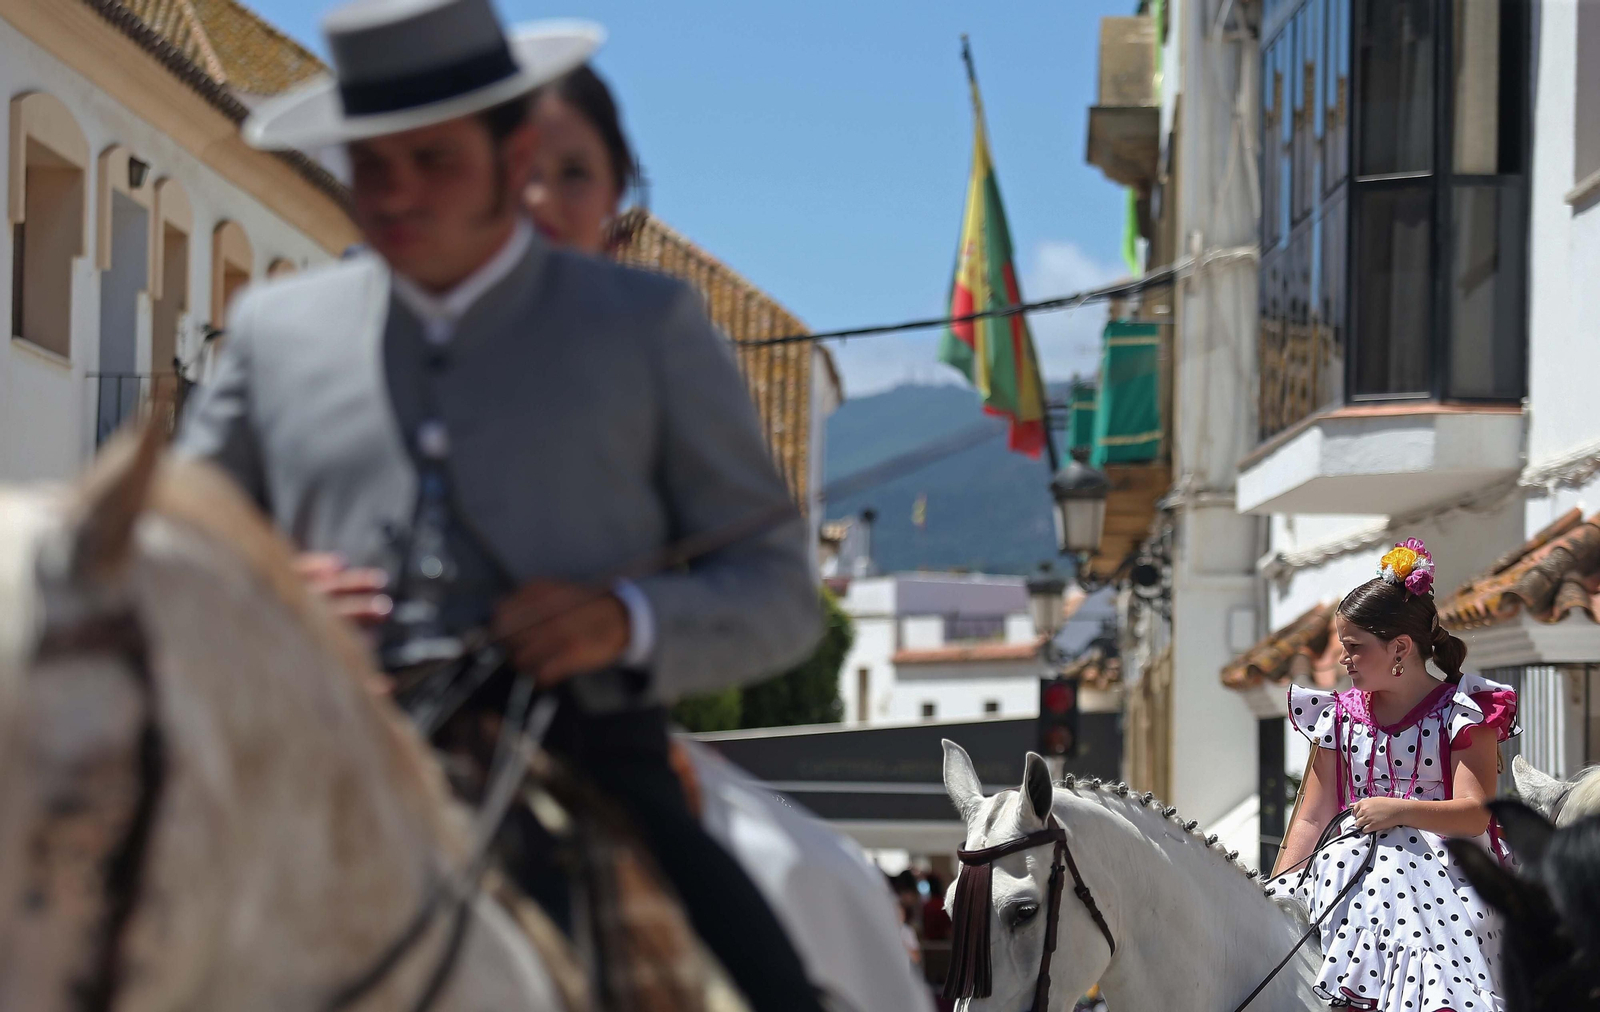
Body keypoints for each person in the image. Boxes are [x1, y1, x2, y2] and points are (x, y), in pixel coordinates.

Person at [175, 4, 824, 1012]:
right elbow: (167, 562)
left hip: (591, 764)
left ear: (508, 149)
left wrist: (628, 622)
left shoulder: (647, 329)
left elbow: (782, 596)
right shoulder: (273, 334)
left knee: (769, 987)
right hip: (315, 756)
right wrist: (263, 598)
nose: (393, 194)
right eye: (369, 165)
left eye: (429, 160)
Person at [1267, 538, 1518, 1011]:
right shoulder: (1338, 717)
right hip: (1346, 866)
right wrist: (1277, 892)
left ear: (1400, 647)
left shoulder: (1464, 713)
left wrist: (1398, 811)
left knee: (1393, 869)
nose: (1344, 660)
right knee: (1379, 868)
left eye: (1355, 647)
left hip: (1450, 869)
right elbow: (1310, 817)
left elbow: (1474, 815)